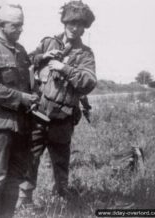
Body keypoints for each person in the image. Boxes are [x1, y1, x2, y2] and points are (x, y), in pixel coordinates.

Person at [19, 1, 97, 207]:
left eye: (80, 25)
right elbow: (26, 60)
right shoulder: (48, 43)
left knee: (61, 162)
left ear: (84, 27)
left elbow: (89, 82)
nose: (75, 28)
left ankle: (62, 199)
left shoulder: (85, 54)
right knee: (30, 158)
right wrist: (43, 56)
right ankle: (25, 200)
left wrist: (65, 68)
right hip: (38, 114)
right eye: (71, 23)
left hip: (62, 119)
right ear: (64, 22)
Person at [0, 4, 39, 218]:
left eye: (22, 25)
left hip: (21, 126)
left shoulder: (21, 52)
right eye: (16, 25)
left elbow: (28, 84)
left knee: (14, 178)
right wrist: (20, 98)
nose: (21, 29)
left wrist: (33, 96)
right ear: (2, 25)